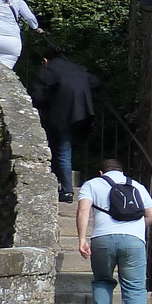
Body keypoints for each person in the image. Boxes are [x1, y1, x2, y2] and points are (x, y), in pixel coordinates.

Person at [77, 158, 152, 304]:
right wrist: (135, 229)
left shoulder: (92, 184)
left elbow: (83, 210)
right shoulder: (137, 186)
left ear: (101, 173)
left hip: (102, 239)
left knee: (103, 279)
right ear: (122, 172)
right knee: (135, 287)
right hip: (134, 241)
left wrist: (82, 239)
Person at [32, 47, 98, 202]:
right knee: (64, 149)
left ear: (45, 60)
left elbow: (37, 95)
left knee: (62, 150)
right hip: (83, 113)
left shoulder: (48, 70)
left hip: (61, 115)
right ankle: (63, 184)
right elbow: (96, 82)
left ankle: (67, 191)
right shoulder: (77, 68)